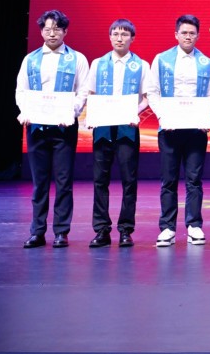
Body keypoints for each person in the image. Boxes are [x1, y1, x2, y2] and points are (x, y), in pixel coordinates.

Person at [15, 9, 90, 249]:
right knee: (40, 183)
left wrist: (72, 113)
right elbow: (21, 90)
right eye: (47, 29)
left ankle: (61, 231)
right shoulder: (31, 59)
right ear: (41, 32)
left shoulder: (77, 59)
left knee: (63, 182)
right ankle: (37, 231)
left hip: (63, 128)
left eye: (57, 29)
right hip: (36, 127)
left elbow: (83, 91)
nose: (52, 33)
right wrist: (24, 111)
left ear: (65, 31)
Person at [144, 14, 210, 247]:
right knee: (169, 180)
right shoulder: (161, 59)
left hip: (196, 130)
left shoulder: (206, 62)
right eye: (184, 32)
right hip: (169, 129)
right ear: (176, 34)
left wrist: (206, 117)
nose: (188, 37)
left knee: (194, 180)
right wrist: (162, 116)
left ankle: (194, 225)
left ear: (198, 36)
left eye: (192, 33)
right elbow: (152, 91)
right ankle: (167, 227)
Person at [84, 19, 150, 248]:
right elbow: (90, 94)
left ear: (132, 38)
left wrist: (134, 112)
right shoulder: (98, 64)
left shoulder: (141, 65)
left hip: (127, 129)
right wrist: (91, 116)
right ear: (110, 37)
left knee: (129, 181)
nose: (119, 38)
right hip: (102, 129)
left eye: (124, 34)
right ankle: (101, 229)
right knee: (100, 180)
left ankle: (125, 229)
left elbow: (147, 97)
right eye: (115, 34)